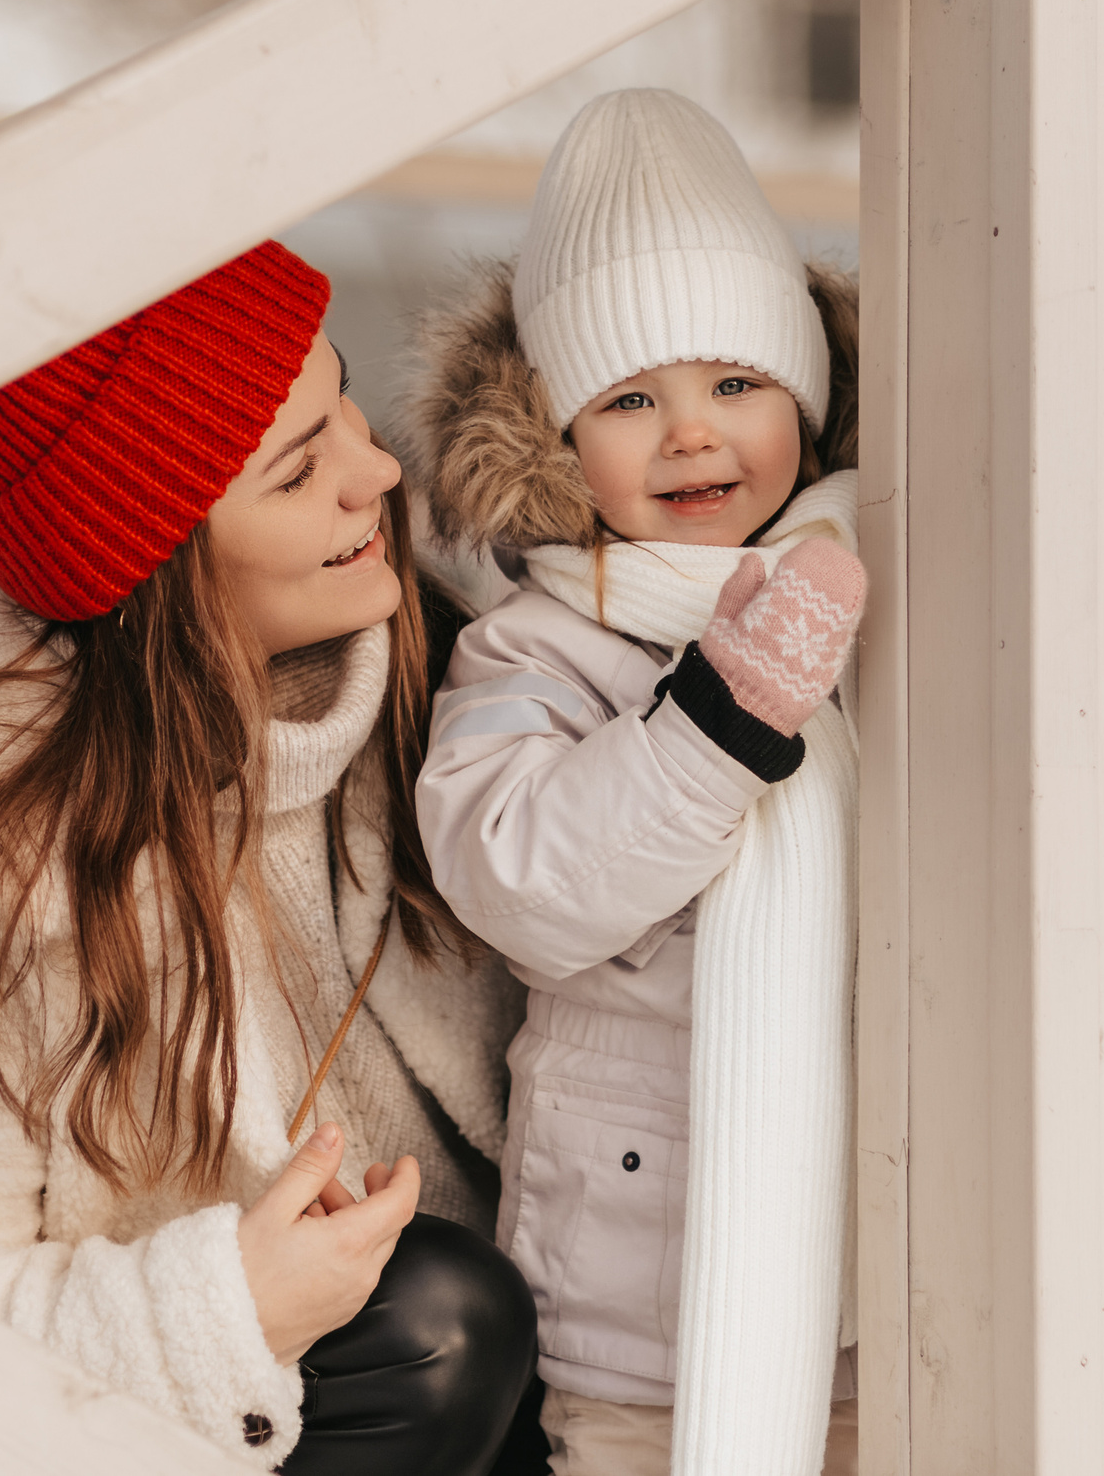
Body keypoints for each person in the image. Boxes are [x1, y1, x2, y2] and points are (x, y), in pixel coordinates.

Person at [0, 181, 543, 1475]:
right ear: (158, 563)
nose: (377, 469)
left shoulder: (468, 685)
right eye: (300, 468)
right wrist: (226, 1313)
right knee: (434, 1317)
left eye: (342, 399)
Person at [403, 89, 865, 1476]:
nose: (692, 437)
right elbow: (525, 881)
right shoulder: (538, 643)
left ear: (810, 391)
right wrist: (718, 720)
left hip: (878, 1253)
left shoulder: (866, 589)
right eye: (629, 399)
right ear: (550, 432)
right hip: (642, 1291)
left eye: (736, 382)